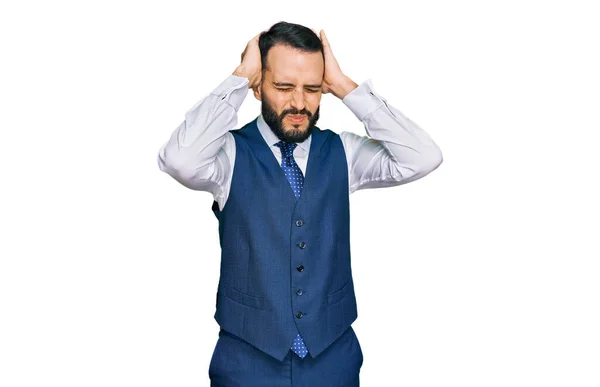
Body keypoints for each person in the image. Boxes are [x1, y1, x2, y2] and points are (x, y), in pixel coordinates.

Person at [157, 21, 443, 387]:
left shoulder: (345, 152)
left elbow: (423, 156)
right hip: (247, 361)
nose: (298, 103)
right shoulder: (226, 155)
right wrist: (239, 78)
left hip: (332, 359)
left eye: (311, 89)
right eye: (283, 86)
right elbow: (178, 159)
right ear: (259, 86)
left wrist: (344, 86)